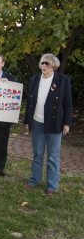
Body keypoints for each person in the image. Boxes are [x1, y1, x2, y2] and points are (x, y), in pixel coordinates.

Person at [24, 53, 72, 195]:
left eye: (47, 63)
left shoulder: (63, 80)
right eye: (42, 63)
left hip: (55, 124)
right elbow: (30, 102)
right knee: (38, 153)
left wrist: (67, 123)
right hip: (37, 122)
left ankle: (51, 186)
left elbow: (68, 104)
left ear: (53, 65)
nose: (44, 66)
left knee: (52, 156)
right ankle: (34, 180)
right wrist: (27, 120)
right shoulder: (35, 79)